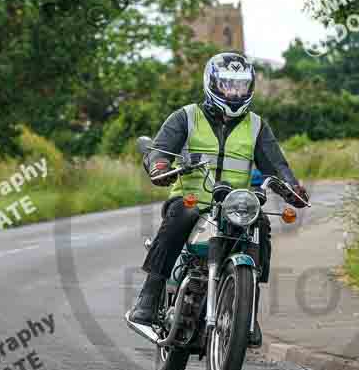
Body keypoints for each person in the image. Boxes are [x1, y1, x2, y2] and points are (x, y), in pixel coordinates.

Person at [127, 52, 309, 347]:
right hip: (191, 200)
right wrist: (160, 166)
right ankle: (149, 295)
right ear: (212, 84)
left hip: (235, 205)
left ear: (249, 88)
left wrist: (292, 187)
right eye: (227, 85)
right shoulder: (186, 117)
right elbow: (159, 151)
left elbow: (277, 166)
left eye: (240, 86)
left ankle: (248, 309)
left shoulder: (256, 126)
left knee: (261, 225)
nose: (234, 92)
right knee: (181, 216)